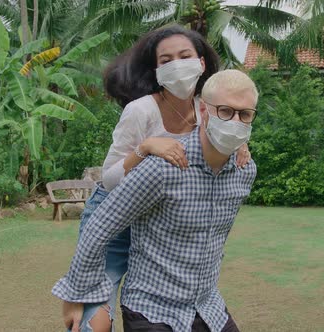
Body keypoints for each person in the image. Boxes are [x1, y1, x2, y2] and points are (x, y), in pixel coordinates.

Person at [58, 25, 250, 332]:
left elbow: (227, 129)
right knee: (93, 325)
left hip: (157, 218)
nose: (176, 63)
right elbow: (108, 180)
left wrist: (240, 142)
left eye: (184, 55)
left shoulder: (207, 108)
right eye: (166, 59)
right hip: (114, 212)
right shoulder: (141, 110)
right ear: (156, 69)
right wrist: (144, 148)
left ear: (201, 63)